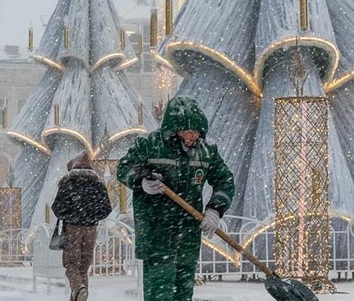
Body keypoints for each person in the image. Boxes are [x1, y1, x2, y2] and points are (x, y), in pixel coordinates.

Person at [117, 96, 235, 301]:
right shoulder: (149, 144)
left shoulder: (206, 151)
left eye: (197, 131)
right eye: (188, 131)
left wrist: (215, 209)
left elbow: (224, 180)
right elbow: (123, 168)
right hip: (156, 235)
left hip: (187, 235)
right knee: (160, 293)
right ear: (174, 129)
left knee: (183, 293)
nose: (193, 136)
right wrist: (141, 181)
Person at [51, 152, 112, 301]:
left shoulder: (68, 182)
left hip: (73, 229)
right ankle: (80, 294)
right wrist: (92, 217)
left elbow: (57, 207)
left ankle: (78, 288)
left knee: (71, 264)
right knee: (84, 267)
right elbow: (106, 208)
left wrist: (71, 216)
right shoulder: (97, 183)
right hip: (91, 229)